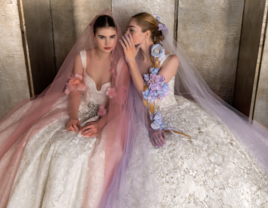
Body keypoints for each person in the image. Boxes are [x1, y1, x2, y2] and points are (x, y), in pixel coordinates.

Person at [100, 12, 268, 207]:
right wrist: (148, 124)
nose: (126, 35)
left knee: (190, 150)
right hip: (141, 115)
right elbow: (130, 98)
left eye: (131, 30)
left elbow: (149, 95)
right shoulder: (131, 59)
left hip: (171, 111)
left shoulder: (170, 60)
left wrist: (130, 62)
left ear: (147, 34)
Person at [0, 9, 130, 208]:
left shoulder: (120, 63)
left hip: (108, 114)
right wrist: (73, 116)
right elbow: (76, 91)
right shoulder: (82, 57)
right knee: (40, 139)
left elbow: (118, 104)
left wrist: (99, 124)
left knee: (88, 155)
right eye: (102, 37)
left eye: (112, 37)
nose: (107, 43)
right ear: (93, 35)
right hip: (81, 106)